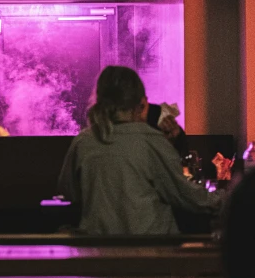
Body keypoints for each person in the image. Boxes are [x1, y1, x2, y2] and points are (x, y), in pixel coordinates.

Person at [57, 65, 222, 236]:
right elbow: (187, 197)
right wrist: (227, 198)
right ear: (142, 104)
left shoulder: (83, 141)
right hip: (150, 249)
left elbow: (67, 191)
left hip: (98, 250)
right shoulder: (150, 140)